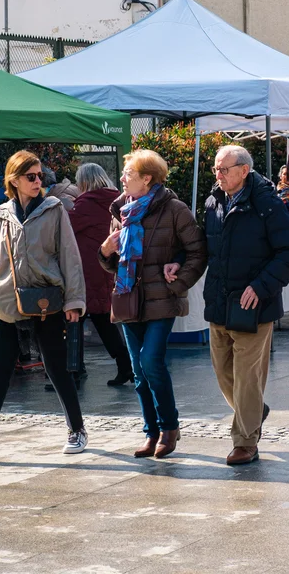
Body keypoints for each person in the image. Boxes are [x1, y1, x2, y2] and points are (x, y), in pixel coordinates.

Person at [0, 150, 87, 464]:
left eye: (40, 176)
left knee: (57, 368)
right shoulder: (1, 215)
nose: (37, 181)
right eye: (31, 176)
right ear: (14, 180)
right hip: (7, 305)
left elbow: (70, 257)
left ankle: (77, 429)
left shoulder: (54, 210)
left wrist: (74, 301)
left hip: (46, 302)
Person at [99, 150, 207, 459]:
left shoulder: (175, 209)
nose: (122, 178)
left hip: (162, 299)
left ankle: (169, 427)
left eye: (129, 174)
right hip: (129, 299)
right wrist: (105, 251)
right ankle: (151, 431)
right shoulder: (121, 210)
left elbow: (197, 251)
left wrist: (178, 278)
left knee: (150, 361)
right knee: (137, 369)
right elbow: (114, 264)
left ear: (147, 178)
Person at [204, 145, 289, 466]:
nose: (218, 175)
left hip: (253, 306)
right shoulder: (213, 201)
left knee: (247, 376)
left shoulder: (267, 204)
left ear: (244, 170)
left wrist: (260, 287)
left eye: (224, 169)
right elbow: (206, 249)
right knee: (223, 373)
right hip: (219, 302)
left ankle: (245, 441)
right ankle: (255, 410)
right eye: (216, 169)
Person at [68, 162, 133, 388]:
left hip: (86, 272)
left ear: (84, 182)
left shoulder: (86, 204)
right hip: (107, 267)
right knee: (103, 319)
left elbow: (65, 229)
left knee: (75, 319)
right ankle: (125, 365)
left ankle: (74, 371)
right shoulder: (117, 199)